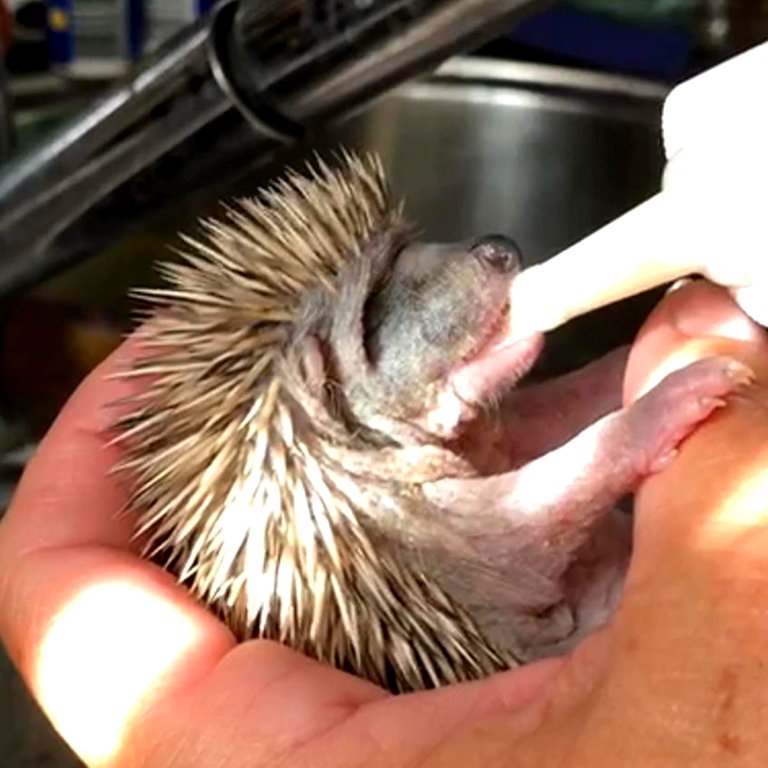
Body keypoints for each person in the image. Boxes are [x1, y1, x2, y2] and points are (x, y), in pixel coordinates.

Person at [0, 277, 767, 767]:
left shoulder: (432, 438)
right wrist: (639, 428)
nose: (482, 260)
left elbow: (575, 408)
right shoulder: (388, 538)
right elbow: (544, 509)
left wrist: (636, 379)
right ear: (321, 403)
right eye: (373, 327)